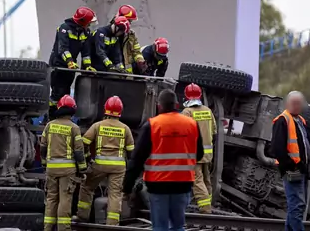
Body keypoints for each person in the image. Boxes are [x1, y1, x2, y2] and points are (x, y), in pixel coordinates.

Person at [123, 89, 204, 231]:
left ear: (159, 105)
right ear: (177, 104)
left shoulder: (152, 125)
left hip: (158, 185)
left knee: (160, 227)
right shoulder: (192, 124)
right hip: (183, 184)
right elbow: (200, 154)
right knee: (178, 226)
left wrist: (127, 187)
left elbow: (136, 160)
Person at [76, 96, 135, 224]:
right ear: (120, 111)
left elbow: (84, 143)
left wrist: (87, 158)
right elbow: (131, 151)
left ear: (105, 110)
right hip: (118, 167)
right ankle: (112, 223)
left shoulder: (98, 125)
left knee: (87, 187)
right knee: (115, 194)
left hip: (99, 165)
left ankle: (82, 216)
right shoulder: (125, 128)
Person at [41, 95, 88, 231]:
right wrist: (82, 169)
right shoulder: (74, 128)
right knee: (65, 200)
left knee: (51, 200)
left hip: (51, 169)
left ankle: (48, 228)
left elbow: (42, 146)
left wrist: (45, 163)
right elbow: (79, 151)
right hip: (67, 170)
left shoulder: (49, 125)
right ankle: (64, 229)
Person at [271, 91, 310, 231]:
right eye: (294, 103)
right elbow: (277, 148)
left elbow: (305, 146)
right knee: (297, 206)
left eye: (299, 103)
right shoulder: (282, 120)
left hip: (300, 169)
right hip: (292, 169)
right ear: (287, 104)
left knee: (296, 206)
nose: (296, 106)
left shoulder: (301, 121)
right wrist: (291, 166)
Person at [48, 7, 97, 114]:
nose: (90, 25)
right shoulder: (64, 28)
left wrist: (88, 65)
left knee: (66, 92)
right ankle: (50, 117)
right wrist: (69, 61)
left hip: (70, 67)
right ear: (82, 21)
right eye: (89, 22)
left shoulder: (85, 32)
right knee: (57, 93)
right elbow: (62, 49)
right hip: (58, 65)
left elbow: (86, 53)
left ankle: (62, 115)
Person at [180, 83, 216, 213]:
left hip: (194, 154)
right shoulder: (207, 110)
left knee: (197, 181)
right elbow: (214, 131)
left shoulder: (187, 112)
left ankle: (205, 209)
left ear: (186, 96)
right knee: (207, 181)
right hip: (207, 154)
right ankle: (208, 204)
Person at [110, 4, 145, 74]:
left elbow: (136, 50)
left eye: (130, 21)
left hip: (126, 72)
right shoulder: (109, 33)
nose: (130, 23)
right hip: (111, 71)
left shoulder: (131, 34)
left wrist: (140, 61)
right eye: (129, 21)